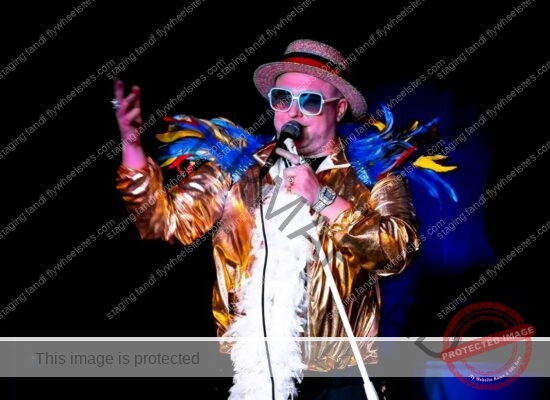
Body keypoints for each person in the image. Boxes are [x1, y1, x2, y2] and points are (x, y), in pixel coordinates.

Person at [113, 38, 423, 400]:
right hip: (249, 371)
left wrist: (321, 197)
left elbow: (397, 251)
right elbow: (162, 223)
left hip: (338, 377)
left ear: (338, 110)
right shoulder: (237, 168)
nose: (293, 113)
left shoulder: (373, 175)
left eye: (309, 101)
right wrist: (132, 144)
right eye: (282, 99)